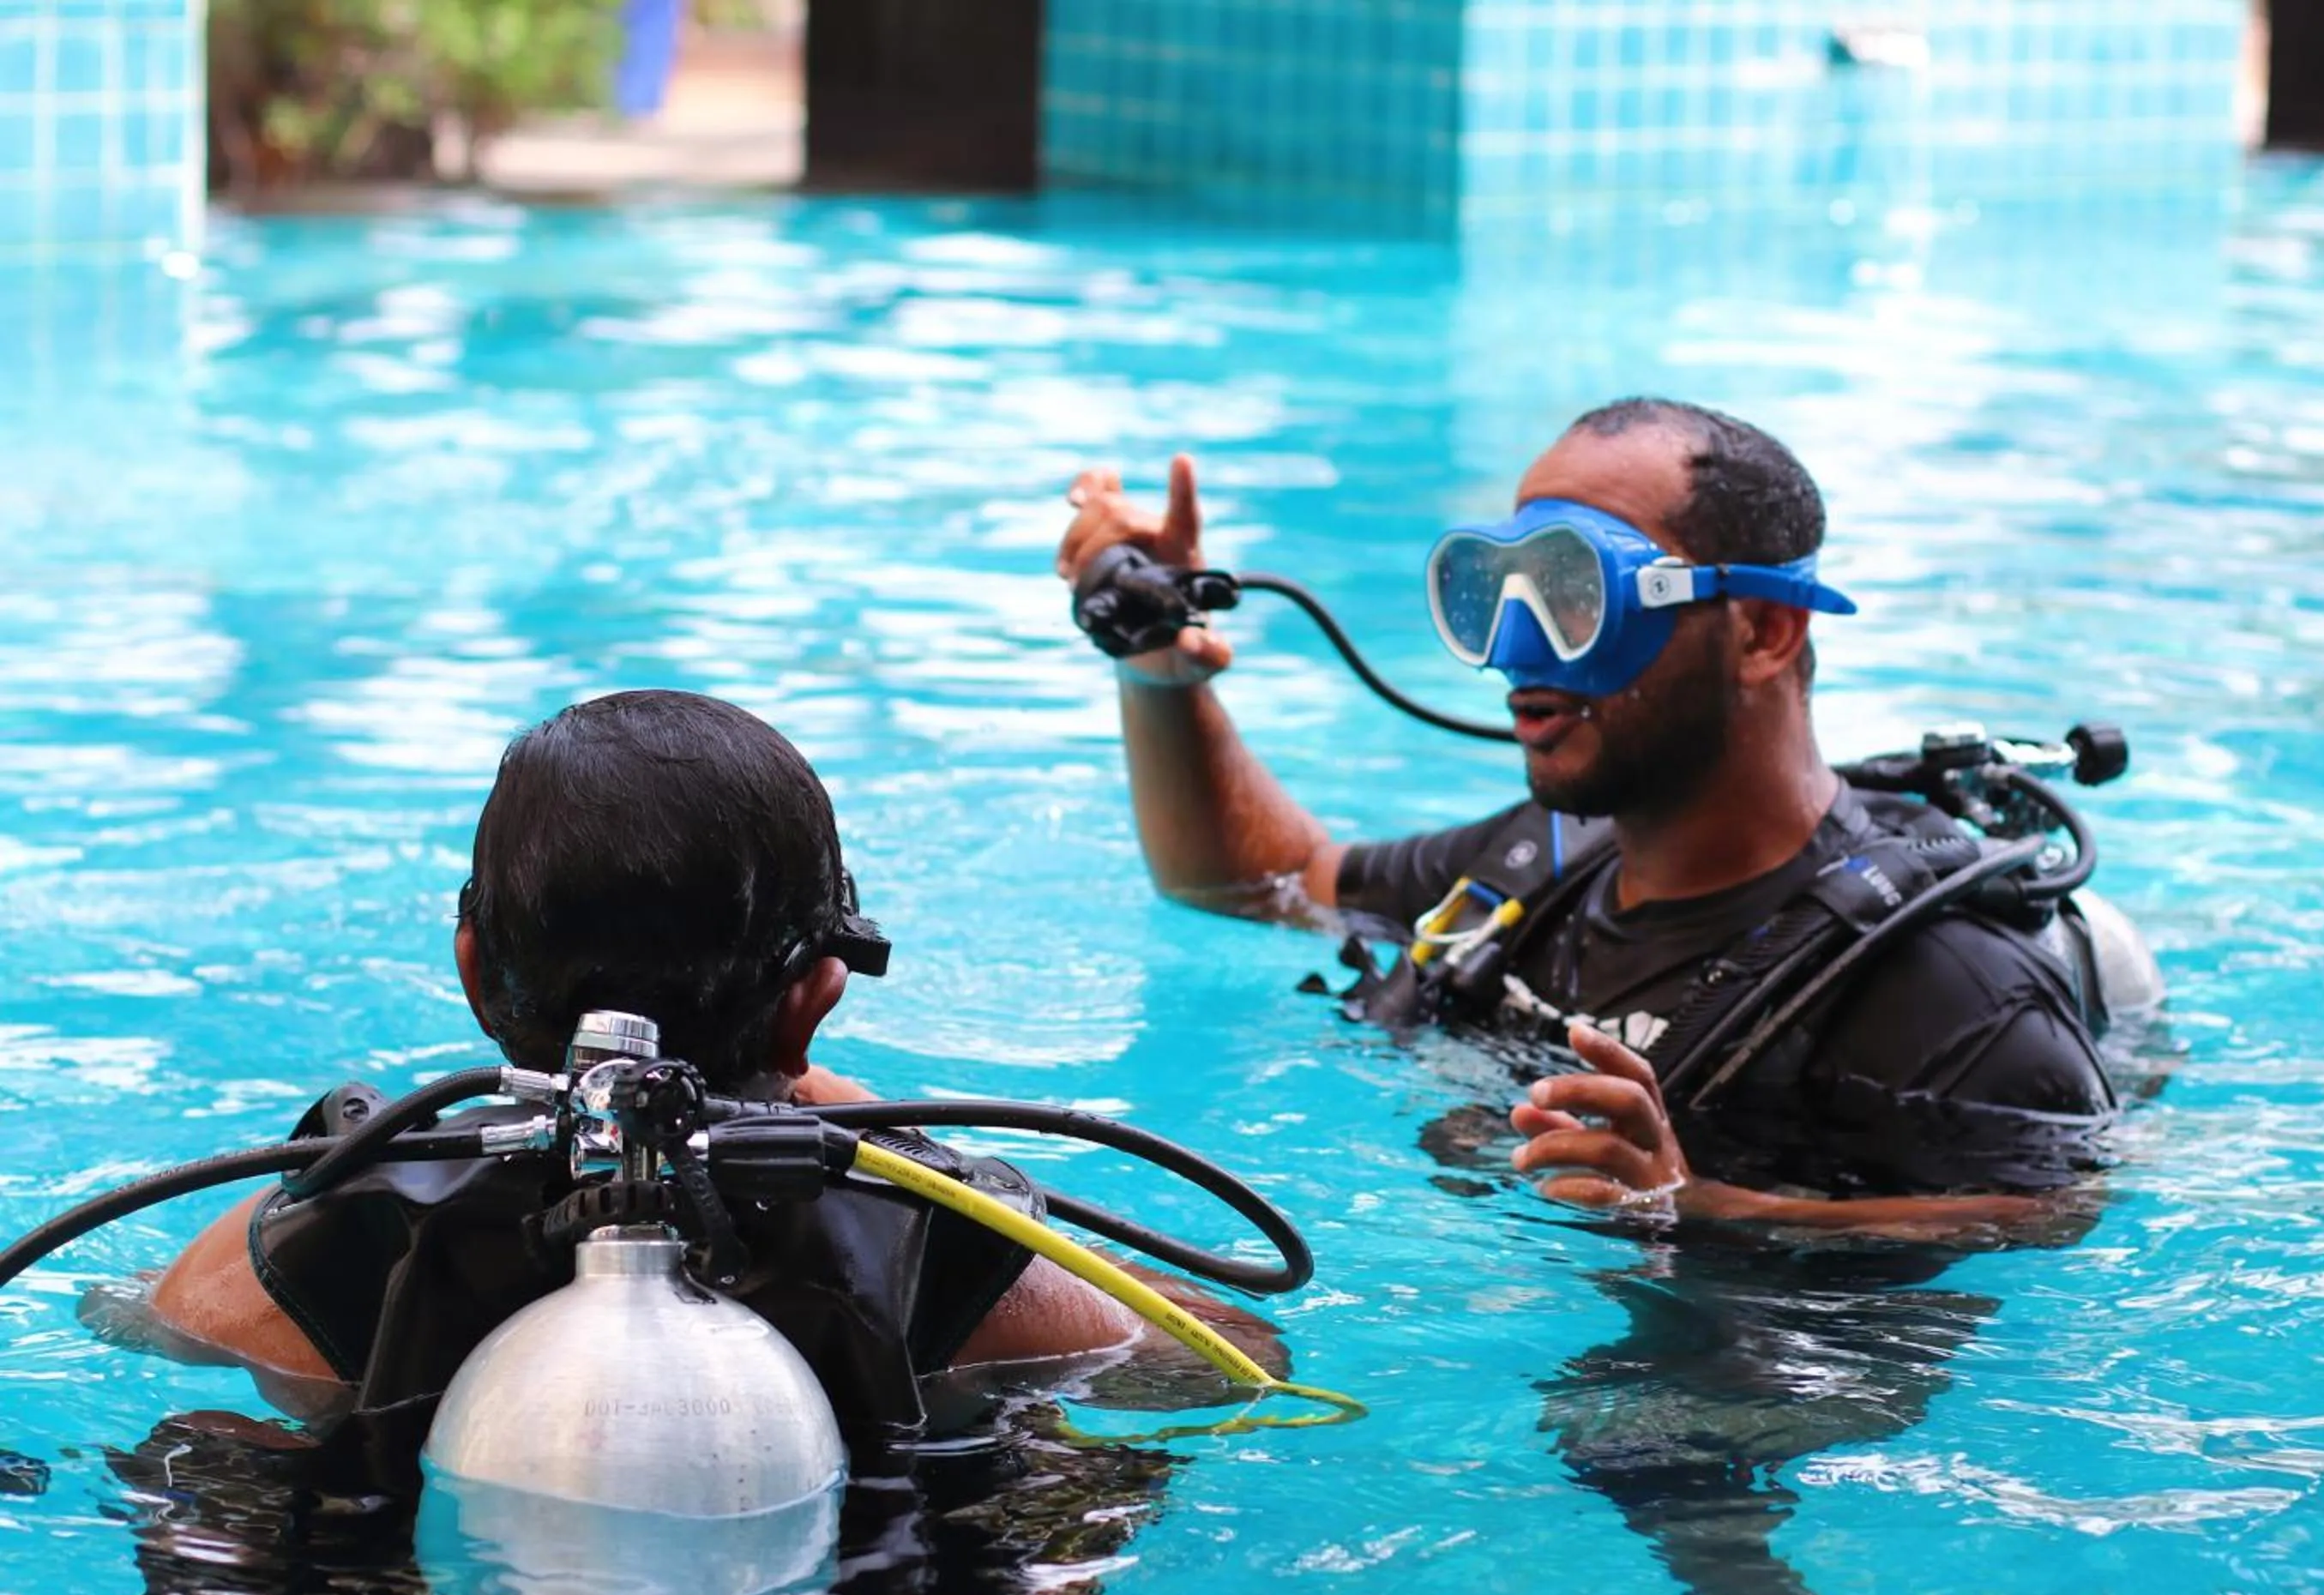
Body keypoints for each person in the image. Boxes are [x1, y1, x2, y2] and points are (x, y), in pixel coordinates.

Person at [1057, 395, 2142, 1238]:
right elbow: (1253, 877)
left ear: (1761, 630)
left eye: (1577, 591)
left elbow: (2056, 1210)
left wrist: (1702, 1206)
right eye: (1498, 590)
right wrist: (1160, 675)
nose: (1519, 653)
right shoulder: (1540, 864)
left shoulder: (1947, 988)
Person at [143, 689, 1234, 1462]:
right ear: (817, 992)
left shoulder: (320, 1240)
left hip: (419, 1576)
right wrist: (880, 1129)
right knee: (1055, 1472)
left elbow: (138, 1319)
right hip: (859, 1584)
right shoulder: (944, 1245)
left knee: (211, 1459)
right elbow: (1212, 1360)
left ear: (473, 968)